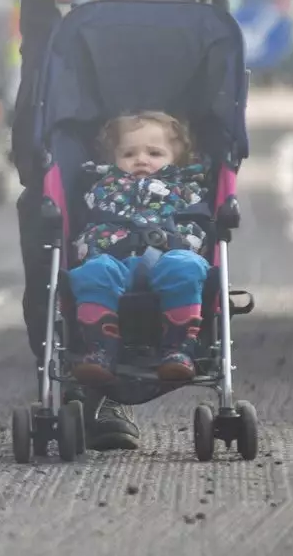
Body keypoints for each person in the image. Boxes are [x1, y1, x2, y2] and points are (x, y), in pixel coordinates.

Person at [0, 0, 256, 451]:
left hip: (180, 20)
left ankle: (180, 332)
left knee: (190, 178)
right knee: (48, 177)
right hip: (73, 17)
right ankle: (76, 379)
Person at [68, 112, 211, 385]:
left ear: (176, 159)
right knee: (92, 271)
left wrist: (184, 242)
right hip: (114, 259)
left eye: (155, 153)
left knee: (186, 266)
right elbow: (86, 225)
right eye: (129, 153)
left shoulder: (187, 189)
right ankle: (100, 350)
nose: (141, 160)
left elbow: (200, 227)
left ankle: (179, 350)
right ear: (113, 160)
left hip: (170, 255)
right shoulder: (101, 188)